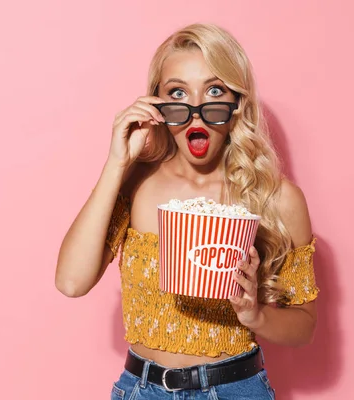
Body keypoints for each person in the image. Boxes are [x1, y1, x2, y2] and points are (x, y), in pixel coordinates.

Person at [55, 23, 319, 399]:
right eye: (178, 92)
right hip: (143, 389)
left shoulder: (277, 199)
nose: (196, 112)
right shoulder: (136, 183)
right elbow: (71, 282)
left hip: (235, 389)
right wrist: (117, 164)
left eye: (214, 90)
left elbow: (305, 327)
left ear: (236, 103)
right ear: (158, 106)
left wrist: (254, 314)